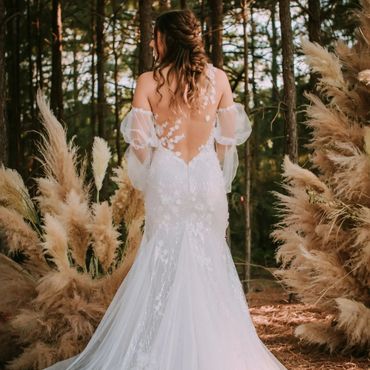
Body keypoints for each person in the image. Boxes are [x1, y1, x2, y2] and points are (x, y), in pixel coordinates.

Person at [44, 9, 287, 370]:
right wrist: (210, 168)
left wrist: (162, 163)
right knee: (210, 258)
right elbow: (228, 138)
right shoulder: (218, 80)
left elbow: (139, 143)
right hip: (206, 178)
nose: (152, 43)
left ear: (166, 39)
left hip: (168, 175)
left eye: (155, 37)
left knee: (161, 259)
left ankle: (157, 349)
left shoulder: (147, 82)